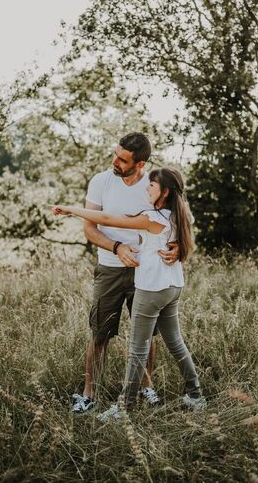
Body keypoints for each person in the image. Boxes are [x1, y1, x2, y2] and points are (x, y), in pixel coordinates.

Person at [52, 166, 206, 418]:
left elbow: (109, 219)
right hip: (173, 287)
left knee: (137, 350)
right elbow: (188, 224)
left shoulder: (151, 218)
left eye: (152, 186)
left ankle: (125, 407)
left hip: (152, 289)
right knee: (176, 343)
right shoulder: (181, 213)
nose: (147, 188)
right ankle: (196, 396)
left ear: (164, 192)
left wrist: (70, 209)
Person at [63, 133, 179, 413]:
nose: (115, 161)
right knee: (100, 332)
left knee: (146, 334)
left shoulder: (155, 184)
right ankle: (88, 393)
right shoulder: (100, 181)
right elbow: (91, 227)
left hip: (148, 272)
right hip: (110, 269)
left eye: (122, 159)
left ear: (140, 164)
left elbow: (176, 221)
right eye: (115, 154)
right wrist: (116, 247)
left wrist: (176, 247)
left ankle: (145, 387)